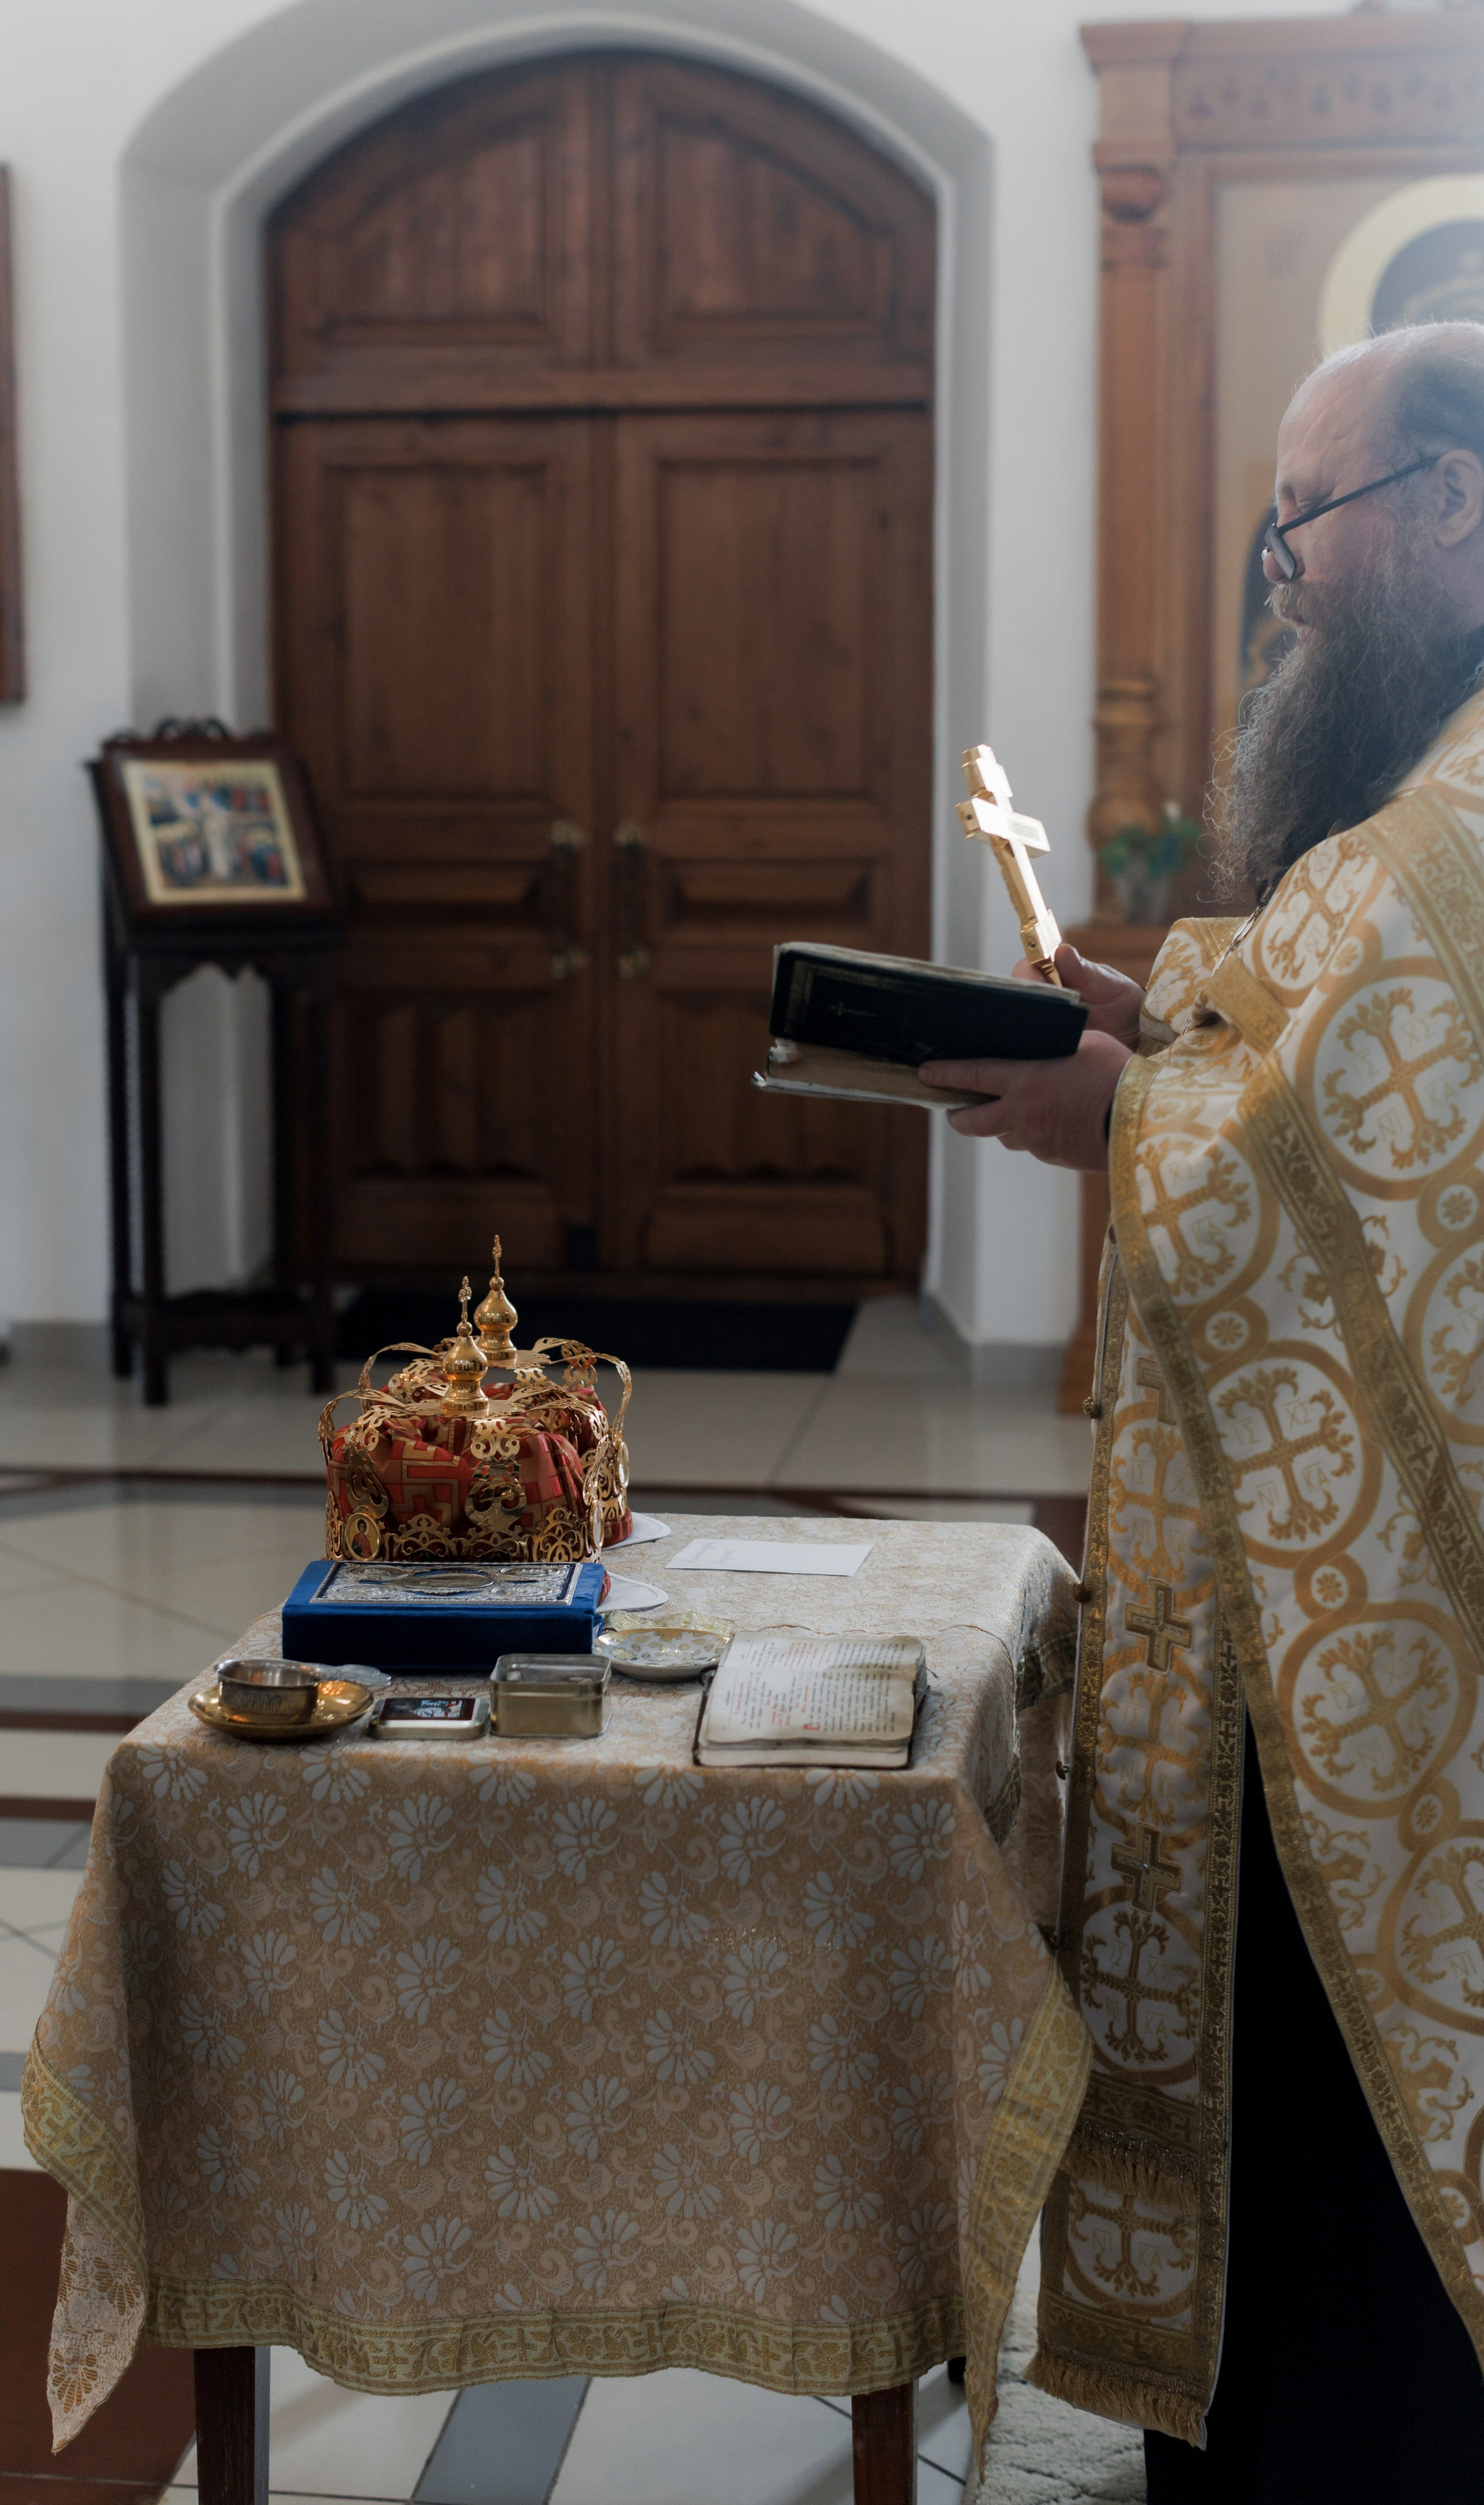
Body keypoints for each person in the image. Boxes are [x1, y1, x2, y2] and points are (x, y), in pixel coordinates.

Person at [920, 322, 1484, 2498]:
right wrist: (1164, 1023)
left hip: (1381, 1672)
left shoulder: (1443, 833)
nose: (1283, 573)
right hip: (1366, 1599)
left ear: (1456, 504)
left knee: (1342, 2115)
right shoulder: (1435, 805)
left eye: (1309, 518)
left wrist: (1120, 1107)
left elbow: (1336, 1146)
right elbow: (1342, 1075)